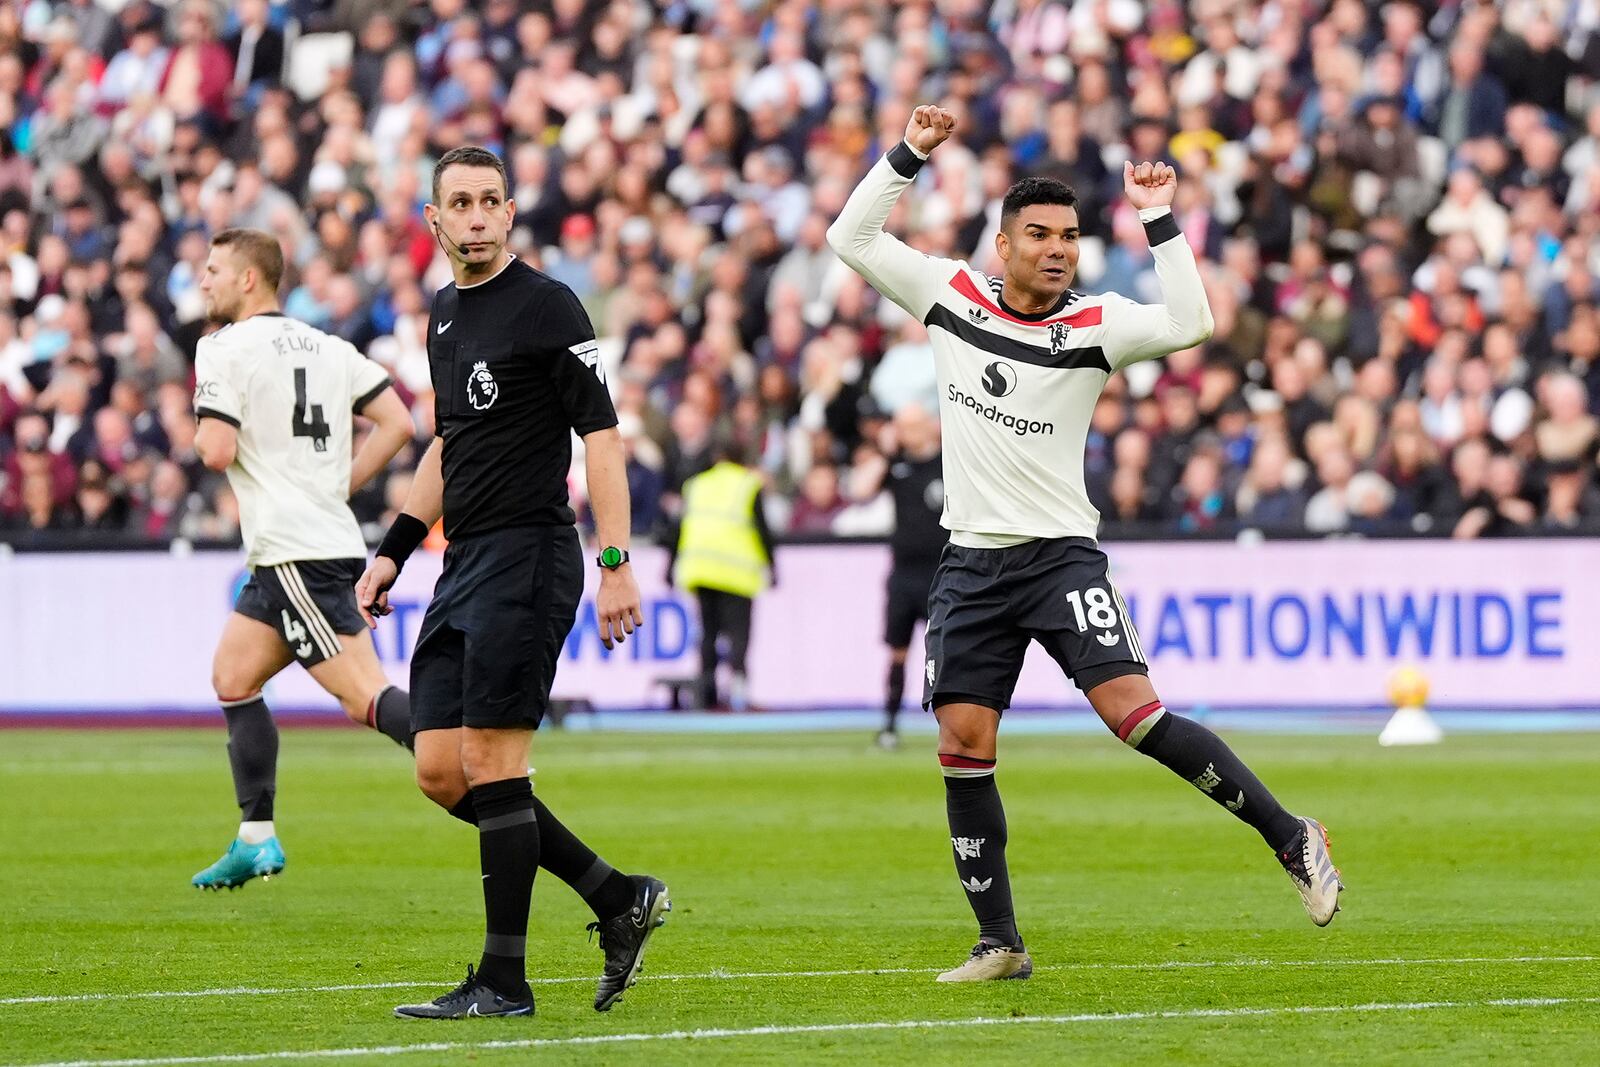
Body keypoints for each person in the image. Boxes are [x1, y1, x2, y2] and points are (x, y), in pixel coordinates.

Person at [829, 106, 1343, 983]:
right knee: (961, 739)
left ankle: (1291, 835)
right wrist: (910, 154)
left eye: (1069, 235)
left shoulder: (1096, 322)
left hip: (1061, 555)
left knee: (1134, 716)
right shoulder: (950, 297)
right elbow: (852, 234)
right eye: (1039, 234)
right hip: (971, 560)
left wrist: (1158, 219)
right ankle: (1000, 942)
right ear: (1003, 244)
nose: (1058, 248)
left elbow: (1192, 322)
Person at [356, 146, 668, 1020]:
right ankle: (616, 895)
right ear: (436, 221)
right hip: (464, 562)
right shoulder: (445, 315)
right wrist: (394, 547)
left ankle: (503, 980)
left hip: (532, 553)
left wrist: (614, 561)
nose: (479, 216)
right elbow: (447, 446)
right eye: (461, 203)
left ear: (509, 209)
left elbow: (601, 436)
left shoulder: (547, 304)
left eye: (492, 200)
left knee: (494, 762)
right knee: (440, 770)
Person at [189, 227, 416, 890]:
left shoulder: (222, 348)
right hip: (299, 546)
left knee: (364, 696)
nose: (204, 281)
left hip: (297, 551)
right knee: (233, 675)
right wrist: (338, 483)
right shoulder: (328, 344)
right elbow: (399, 421)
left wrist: (200, 415)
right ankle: (255, 837)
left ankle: (467, 751)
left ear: (248, 279)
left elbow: (216, 451)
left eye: (213, 270)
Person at [669, 442, 777, 711]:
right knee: (739, 636)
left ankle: (707, 696)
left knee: (708, 634)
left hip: (701, 569)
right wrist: (773, 566)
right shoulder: (747, 484)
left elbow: (677, 529)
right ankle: (739, 695)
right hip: (736, 571)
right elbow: (763, 529)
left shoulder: (696, 485)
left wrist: (670, 565)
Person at [867, 404, 946, 749]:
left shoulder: (950, 463)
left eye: (913, 426)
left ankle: (952, 725)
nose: (907, 433)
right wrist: (885, 451)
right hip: (904, 574)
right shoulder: (895, 466)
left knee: (946, 650)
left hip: (943, 573)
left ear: (930, 426)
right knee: (898, 651)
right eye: (901, 427)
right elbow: (861, 489)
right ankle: (890, 723)